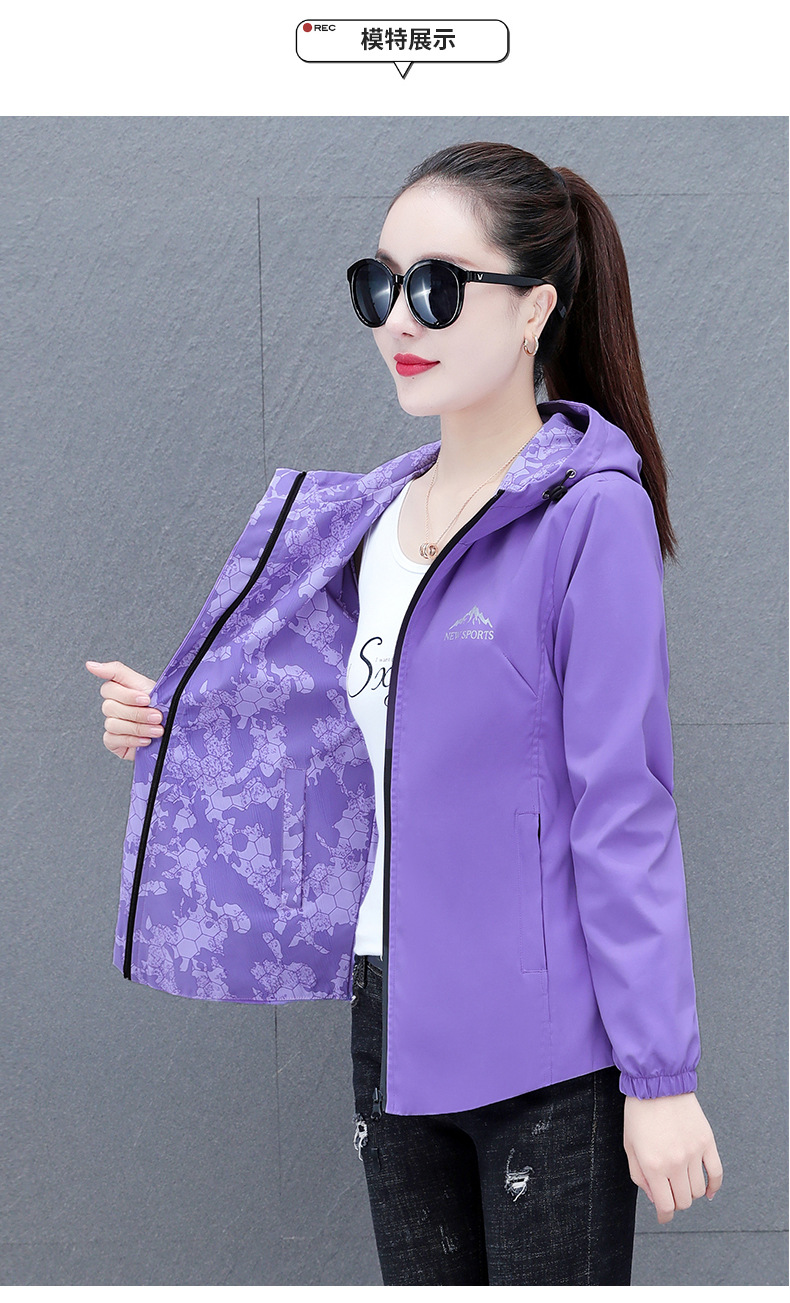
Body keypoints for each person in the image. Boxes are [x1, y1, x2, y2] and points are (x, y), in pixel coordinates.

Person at [86, 140, 723, 1286]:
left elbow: (621, 804)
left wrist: (659, 1075)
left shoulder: (588, 514)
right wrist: (171, 723)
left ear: (533, 311)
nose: (396, 319)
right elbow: (331, 739)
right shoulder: (368, 524)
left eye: (435, 286)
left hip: (548, 1042)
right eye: (378, 284)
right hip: (392, 1017)